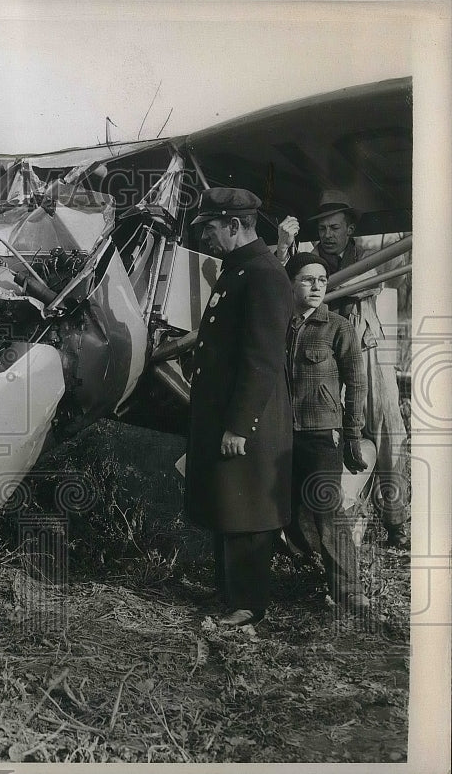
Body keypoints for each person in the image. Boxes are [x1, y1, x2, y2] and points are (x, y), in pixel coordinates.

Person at [186, 187, 294, 627]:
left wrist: (239, 426)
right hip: (228, 414)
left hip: (250, 418)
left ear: (234, 225)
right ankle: (231, 595)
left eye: (211, 228)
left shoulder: (264, 274)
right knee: (229, 503)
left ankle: (248, 605)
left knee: (248, 510)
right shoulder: (239, 270)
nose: (206, 238)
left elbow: (262, 359)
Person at [277, 191, 410, 548]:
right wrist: (285, 247)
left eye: (335, 227)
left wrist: (324, 284)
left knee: (386, 427)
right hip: (326, 352)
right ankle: (317, 526)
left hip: (366, 348)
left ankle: (396, 521)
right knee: (327, 429)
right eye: (322, 228)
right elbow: (287, 281)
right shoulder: (311, 263)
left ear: (349, 228)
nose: (328, 234)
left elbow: (369, 283)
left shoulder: (366, 257)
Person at [284, 253, 372, 616]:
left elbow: (357, 382)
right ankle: (301, 566)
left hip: (322, 436)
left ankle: (349, 591)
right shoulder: (277, 326)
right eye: (308, 279)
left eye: (322, 279)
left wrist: (351, 434)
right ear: (291, 284)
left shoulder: (338, 327)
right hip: (279, 436)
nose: (317, 285)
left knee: (327, 510)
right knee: (281, 509)